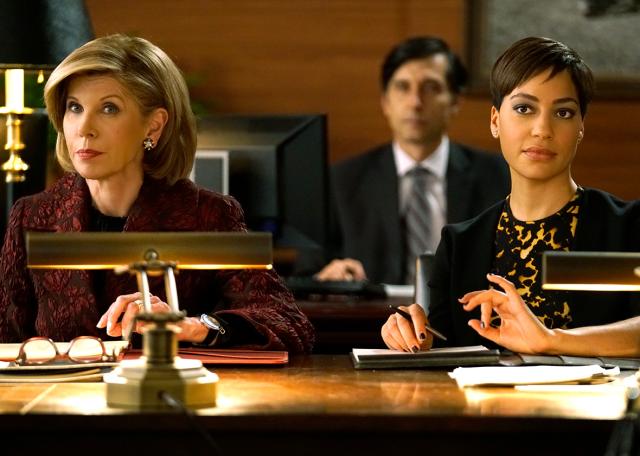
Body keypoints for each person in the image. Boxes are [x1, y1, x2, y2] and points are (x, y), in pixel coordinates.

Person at [0, 34, 315, 353]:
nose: (83, 128)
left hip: (162, 385)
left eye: (109, 108)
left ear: (153, 125)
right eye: (75, 107)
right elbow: (5, 338)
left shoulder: (207, 214)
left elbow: (289, 324)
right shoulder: (31, 216)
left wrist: (193, 326)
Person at [381, 36, 640, 356]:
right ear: (495, 121)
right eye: (524, 108)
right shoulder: (460, 245)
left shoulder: (628, 227)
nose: (542, 129)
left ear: (581, 128)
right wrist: (415, 335)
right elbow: (444, 348)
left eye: (563, 113)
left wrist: (550, 340)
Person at [315, 36, 510, 285]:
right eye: (402, 87)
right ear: (385, 102)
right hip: (373, 310)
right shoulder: (341, 181)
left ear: (455, 101)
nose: (415, 102)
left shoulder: (499, 176)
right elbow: (307, 274)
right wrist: (331, 276)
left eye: (430, 87)